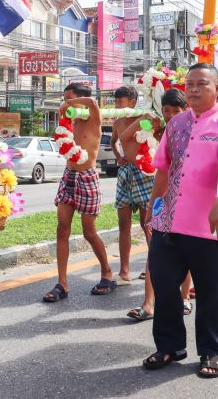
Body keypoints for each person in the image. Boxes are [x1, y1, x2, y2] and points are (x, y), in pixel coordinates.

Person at [142, 63, 218, 379]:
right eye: (189, 83)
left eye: (201, 83)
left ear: (216, 87)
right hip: (170, 222)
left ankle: (209, 351)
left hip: (211, 225)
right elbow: (163, 168)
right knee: (163, 284)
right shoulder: (175, 124)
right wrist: (153, 207)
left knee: (211, 293)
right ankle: (170, 346)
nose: (192, 88)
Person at [44, 83, 111, 301]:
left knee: (88, 232)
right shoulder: (71, 121)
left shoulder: (93, 117)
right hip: (69, 175)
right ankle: (62, 283)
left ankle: (107, 273)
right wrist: (68, 107)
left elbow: (92, 102)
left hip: (87, 177)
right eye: (64, 98)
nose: (65, 103)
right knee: (62, 229)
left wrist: (68, 104)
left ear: (80, 100)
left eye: (69, 98)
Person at [128, 88, 186, 321]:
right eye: (166, 111)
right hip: (163, 199)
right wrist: (153, 207)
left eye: (176, 111)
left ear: (186, 111)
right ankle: (148, 303)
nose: (171, 115)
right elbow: (124, 140)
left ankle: (185, 297)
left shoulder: (192, 132)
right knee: (155, 251)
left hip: (188, 201)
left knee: (186, 252)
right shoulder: (156, 132)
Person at [111, 85, 153, 286]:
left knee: (148, 224)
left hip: (144, 174)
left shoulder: (143, 119)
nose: (118, 104)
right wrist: (119, 157)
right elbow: (113, 142)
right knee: (123, 224)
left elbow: (151, 137)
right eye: (116, 101)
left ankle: (152, 267)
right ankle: (124, 271)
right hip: (125, 174)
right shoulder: (117, 122)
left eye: (122, 101)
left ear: (133, 103)